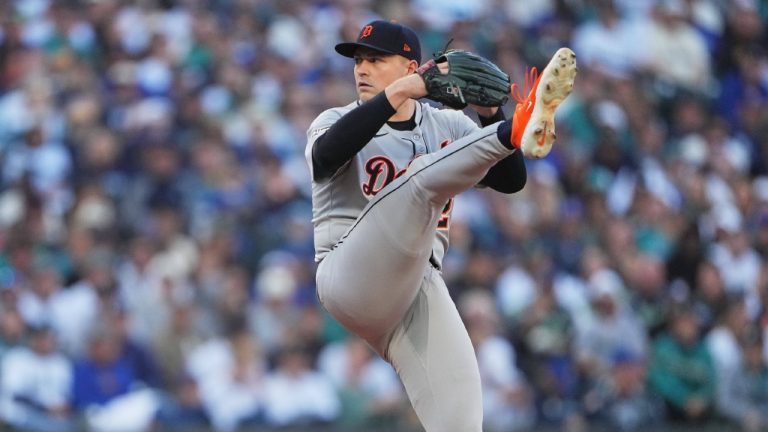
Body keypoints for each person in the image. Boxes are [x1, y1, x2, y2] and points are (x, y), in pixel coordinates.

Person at [305, 19, 576, 431]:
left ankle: (513, 125)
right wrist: (400, 92)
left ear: (412, 66)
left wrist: (489, 113)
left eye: (375, 60)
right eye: (358, 60)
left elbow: (511, 181)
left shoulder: (444, 124)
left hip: (415, 288)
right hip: (348, 273)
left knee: (462, 420)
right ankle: (515, 127)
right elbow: (326, 156)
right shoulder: (336, 119)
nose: (361, 69)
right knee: (419, 181)